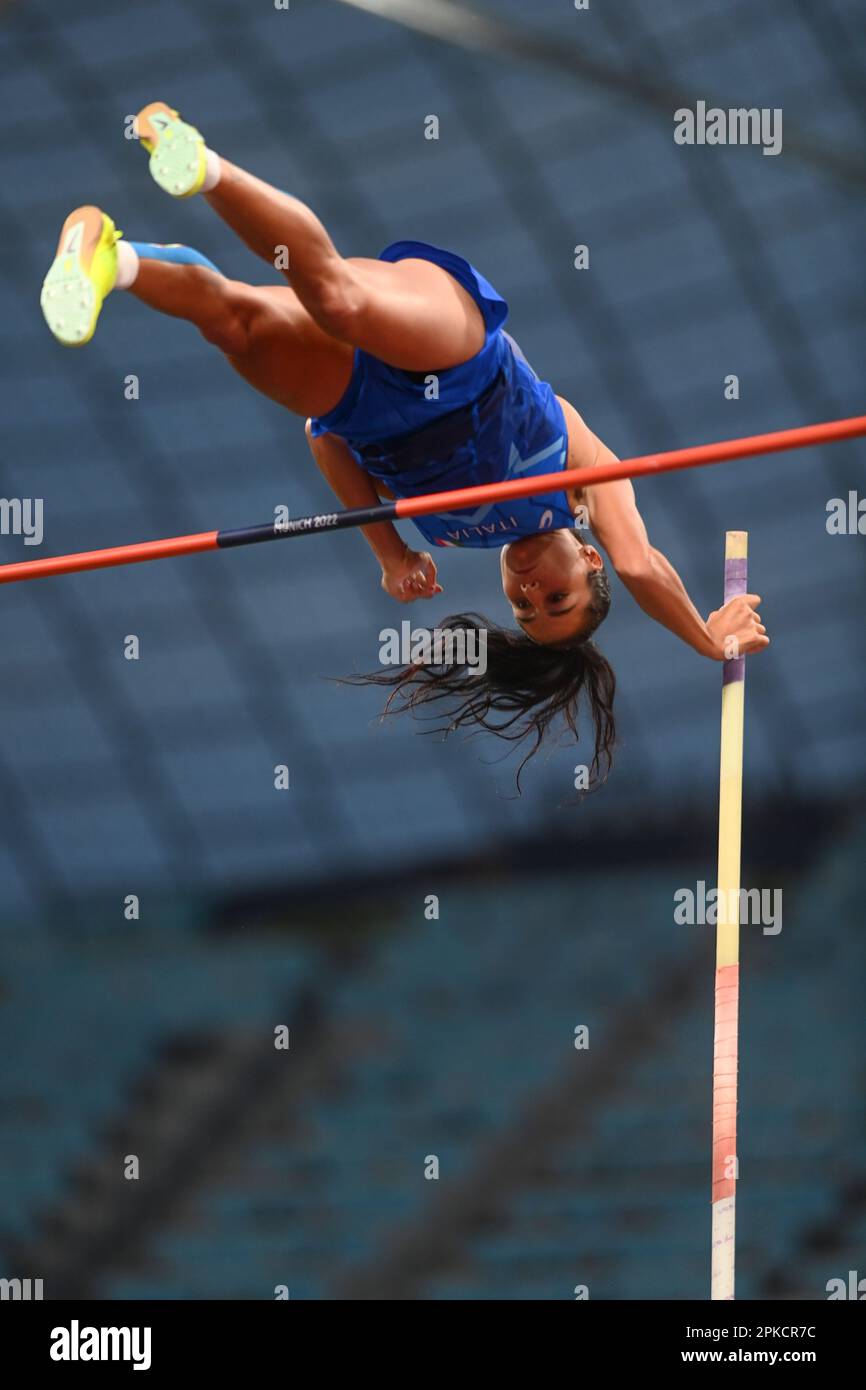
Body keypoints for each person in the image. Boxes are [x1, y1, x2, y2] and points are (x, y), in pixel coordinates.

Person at [40, 102, 769, 783]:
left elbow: (323, 440)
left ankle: (109, 258)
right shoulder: (585, 481)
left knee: (236, 324)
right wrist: (709, 642)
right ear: (586, 558)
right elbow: (639, 566)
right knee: (339, 299)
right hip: (455, 359)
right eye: (557, 596)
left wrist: (390, 554)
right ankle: (201, 168)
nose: (528, 592)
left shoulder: (448, 535)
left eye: (524, 609)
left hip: (366, 410)